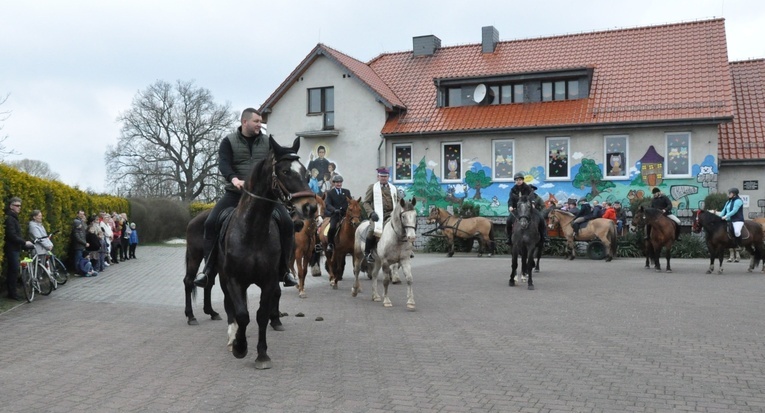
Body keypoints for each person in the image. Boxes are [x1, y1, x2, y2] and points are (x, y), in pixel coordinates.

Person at [195, 108, 298, 287]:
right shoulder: (228, 141)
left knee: (288, 223)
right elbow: (224, 164)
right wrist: (234, 179)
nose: (260, 124)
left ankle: (284, 270)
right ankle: (208, 270)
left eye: (261, 122)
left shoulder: (267, 142)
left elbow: (278, 162)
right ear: (245, 122)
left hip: (264, 197)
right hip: (235, 194)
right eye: (257, 121)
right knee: (210, 223)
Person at [362, 167, 397, 263]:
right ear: (378, 177)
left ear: (388, 177)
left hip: (391, 214)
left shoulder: (393, 188)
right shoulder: (372, 187)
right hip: (377, 215)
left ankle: (406, 250)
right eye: (382, 176)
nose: (383, 178)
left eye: (385, 176)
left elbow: (397, 202)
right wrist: (371, 213)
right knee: (373, 230)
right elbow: (366, 202)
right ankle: (367, 252)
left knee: (402, 226)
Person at [505, 172, 548, 247]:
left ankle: (544, 237)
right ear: (515, 181)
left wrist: (533, 203)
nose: (518, 181)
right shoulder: (513, 190)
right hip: (517, 210)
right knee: (508, 221)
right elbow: (510, 199)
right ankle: (509, 238)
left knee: (541, 219)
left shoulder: (527, 188)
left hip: (528, 209)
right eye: (517, 180)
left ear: (523, 180)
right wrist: (510, 206)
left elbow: (532, 197)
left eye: (520, 179)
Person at [4, 198, 34, 300]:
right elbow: (11, 235)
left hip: (16, 247)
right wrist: (24, 242)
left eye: (20, 206)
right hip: (11, 248)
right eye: (17, 205)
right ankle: (12, 294)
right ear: (11, 206)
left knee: (14, 270)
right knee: (13, 270)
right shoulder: (10, 218)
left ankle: (13, 293)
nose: (19, 207)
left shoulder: (14, 218)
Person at [323, 174, 351, 253]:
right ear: (333, 183)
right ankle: (330, 244)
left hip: (345, 214)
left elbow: (350, 202)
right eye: (337, 182)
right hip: (336, 215)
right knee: (332, 228)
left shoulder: (346, 192)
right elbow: (328, 204)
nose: (339, 184)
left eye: (340, 182)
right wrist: (334, 210)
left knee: (355, 225)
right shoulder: (330, 193)